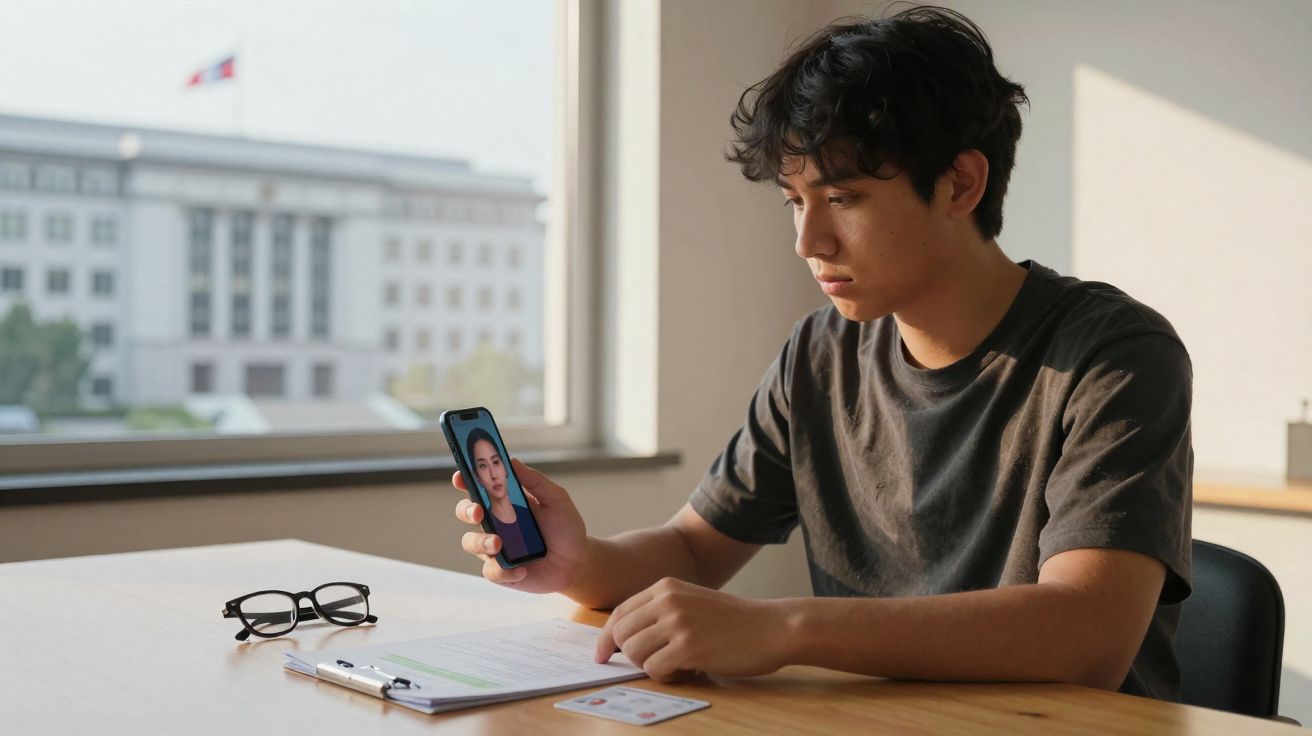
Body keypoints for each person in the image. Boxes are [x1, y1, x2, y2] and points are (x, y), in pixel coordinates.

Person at [451, 5, 1191, 701]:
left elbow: (1087, 635)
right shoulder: (820, 354)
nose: (809, 242)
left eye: (843, 199)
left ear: (961, 183)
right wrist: (579, 562)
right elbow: (694, 550)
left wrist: (784, 629)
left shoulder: (1115, 355)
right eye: (794, 202)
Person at [465, 427, 534, 561]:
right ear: (477, 477)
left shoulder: (529, 515)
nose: (494, 475)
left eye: (496, 462)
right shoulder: (489, 527)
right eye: (483, 466)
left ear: (505, 468)